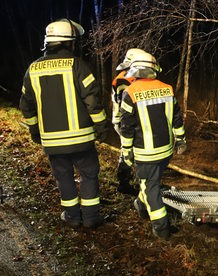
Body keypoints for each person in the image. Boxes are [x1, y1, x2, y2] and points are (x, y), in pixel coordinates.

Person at [19, 19, 109, 229]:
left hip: (53, 141)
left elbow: (26, 105)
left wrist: (35, 131)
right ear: (70, 43)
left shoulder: (33, 69)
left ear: (48, 42)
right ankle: (91, 218)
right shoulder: (78, 65)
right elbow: (93, 101)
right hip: (82, 140)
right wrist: (102, 128)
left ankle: (72, 217)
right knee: (88, 175)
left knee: (63, 177)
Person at [119, 50, 187, 240]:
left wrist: (126, 152)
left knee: (151, 187)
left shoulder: (130, 93)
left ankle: (162, 228)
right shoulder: (167, 89)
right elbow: (177, 119)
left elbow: (126, 128)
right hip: (165, 151)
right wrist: (181, 140)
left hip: (145, 153)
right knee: (151, 181)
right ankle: (141, 205)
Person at [111, 48, 148, 195]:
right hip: (124, 121)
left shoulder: (128, 78)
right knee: (128, 151)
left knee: (131, 150)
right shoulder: (124, 80)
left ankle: (136, 181)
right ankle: (124, 183)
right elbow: (126, 106)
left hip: (128, 120)